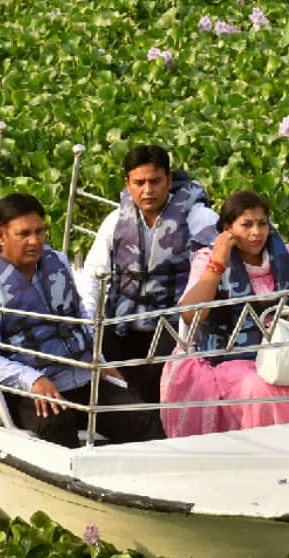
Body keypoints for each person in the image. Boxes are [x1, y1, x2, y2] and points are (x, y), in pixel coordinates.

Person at [0, 193, 164, 448]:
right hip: (29, 388)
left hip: (79, 375)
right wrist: (32, 380)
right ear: (1, 236)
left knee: (142, 417)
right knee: (57, 425)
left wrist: (99, 360)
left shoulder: (58, 263)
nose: (35, 241)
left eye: (40, 231)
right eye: (24, 234)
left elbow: (79, 318)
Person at [160, 190, 289, 437]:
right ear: (228, 228)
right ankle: (265, 450)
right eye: (246, 225)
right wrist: (218, 262)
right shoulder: (207, 257)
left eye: (262, 224)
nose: (256, 233)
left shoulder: (284, 254)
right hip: (232, 358)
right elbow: (190, 316)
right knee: (259, 388)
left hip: (285, 351)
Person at [77, 145, 218, 403]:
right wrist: (90, 333)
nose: (148, 190)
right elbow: (91, 278)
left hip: (174, 326)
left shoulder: (199, 217)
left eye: (155, 181)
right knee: (92, 358)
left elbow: (237, 248)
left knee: (160, 376)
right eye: (139, 182)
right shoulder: (115, 221)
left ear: (170, 180)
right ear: (127, 183)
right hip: (123, 323)